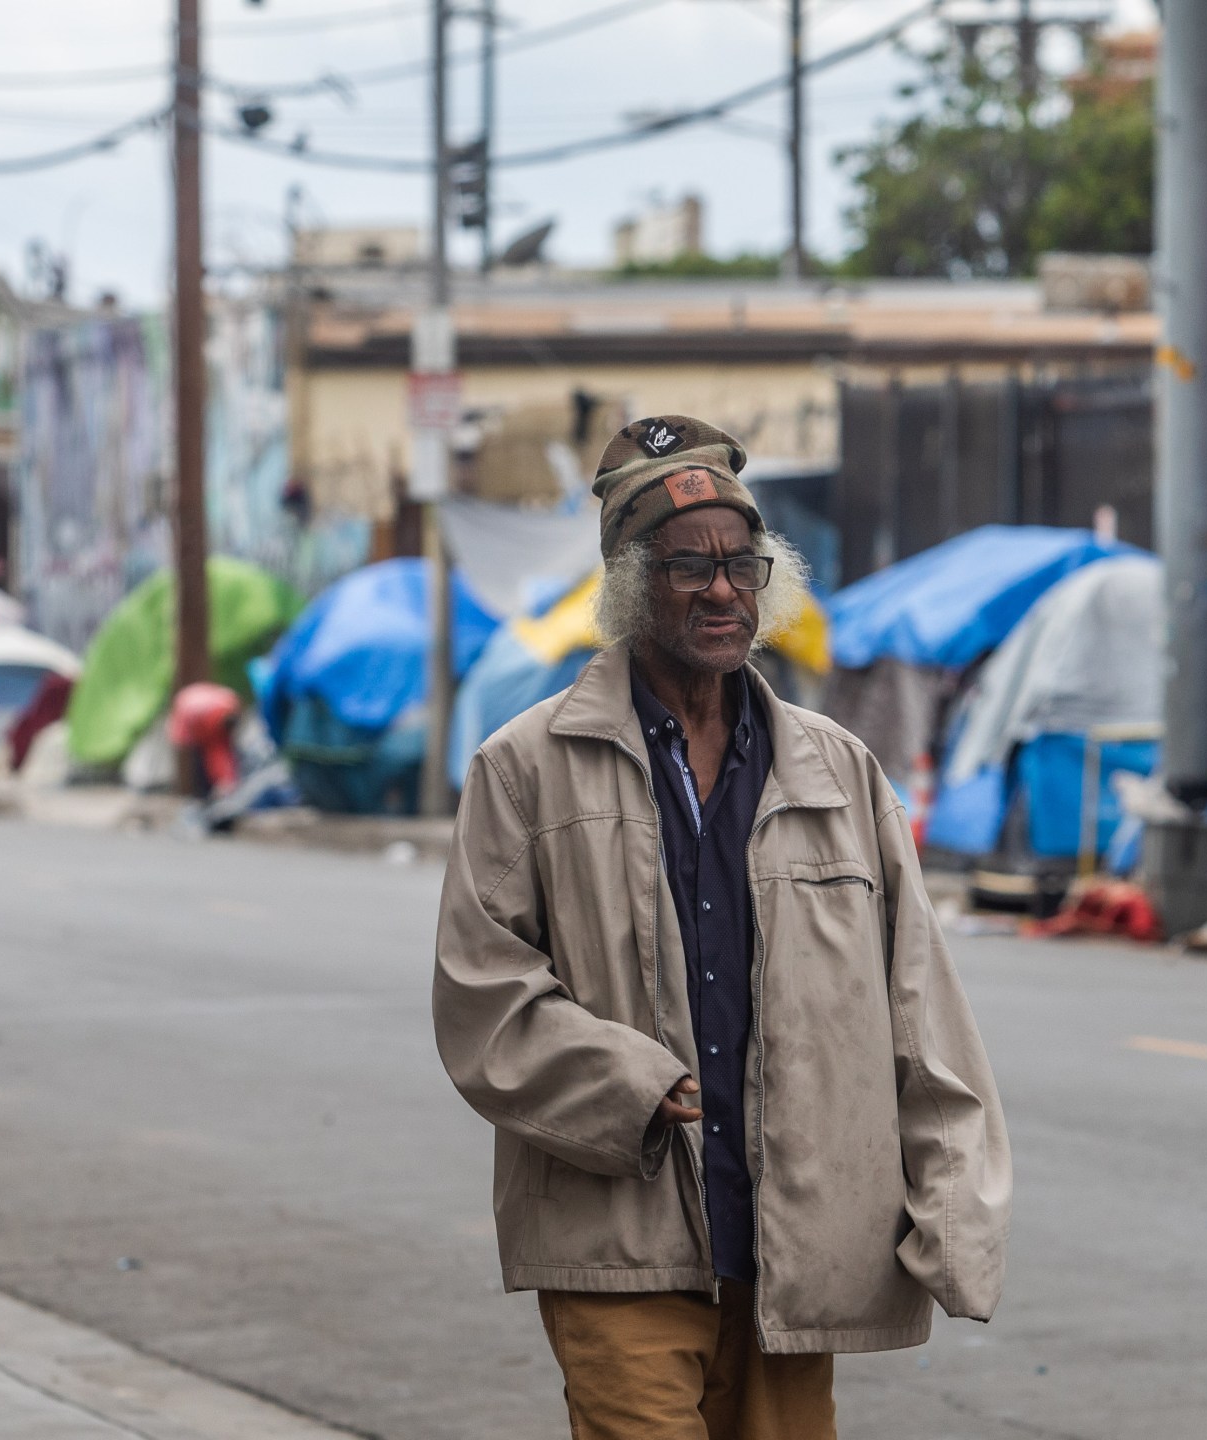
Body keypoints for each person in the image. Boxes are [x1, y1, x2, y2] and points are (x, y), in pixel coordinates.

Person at [432, 415, 1011, 1440]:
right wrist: (636, 1086)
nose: (720, 590)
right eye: (686, 566)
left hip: (795, 1251)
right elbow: (484, 998)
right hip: (619, 1237)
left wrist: (952, 1203)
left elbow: (919, 1007)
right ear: (627, 582)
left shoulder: (838, 772)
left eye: (740, 564)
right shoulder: (525, 768)